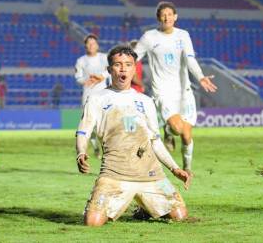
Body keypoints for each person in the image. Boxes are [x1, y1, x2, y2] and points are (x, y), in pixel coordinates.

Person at [75, 44, 190, 227]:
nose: (123, 68)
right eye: (118, 64)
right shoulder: (97, 98)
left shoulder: (145, 101)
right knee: (93, 222)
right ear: (109, 69)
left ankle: (144, 208)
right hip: (113, 174)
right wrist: (81, 152)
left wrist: (175, 169)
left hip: (153, 175)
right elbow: (83, 131)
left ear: (133, 68)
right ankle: (133, 202)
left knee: (180, 214)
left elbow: (155, 141)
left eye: (128, 64)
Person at [134, 1, 217, 176]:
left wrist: (200, 77)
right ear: (158, 17)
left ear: (175, 17)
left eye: (170, 14)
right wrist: (109, 72)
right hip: (162, 91)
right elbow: (132, 58)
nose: (167, 17)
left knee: (186, 135)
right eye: (163, 15)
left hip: (184, 91)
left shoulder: (183, 35)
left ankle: (187, 168)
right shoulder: (149, 37)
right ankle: (169, 130)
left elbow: (190, 59)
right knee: (178, 128)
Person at [74, 34, 110, 158]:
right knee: (90, 123)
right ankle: (95, 147)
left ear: (97, 45)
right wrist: (87, 79)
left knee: (104, 124)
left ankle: (106, 148)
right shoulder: (81, 61)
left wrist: (101, 76)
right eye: (88, 44)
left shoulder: (104, 57)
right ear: (85, 46)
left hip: (104, 95)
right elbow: (78, 77)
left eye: (93, 43)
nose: (91, 46)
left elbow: (111, 70)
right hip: (88, 95)